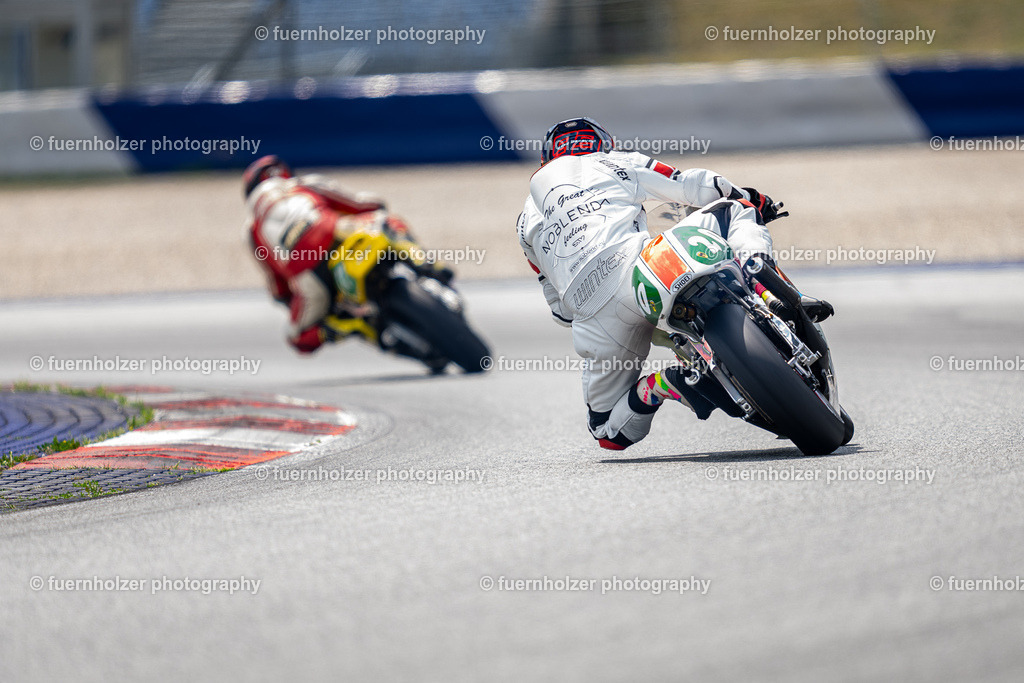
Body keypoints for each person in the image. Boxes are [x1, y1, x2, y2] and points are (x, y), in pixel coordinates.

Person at [516, 117, 832, 451]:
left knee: (607, 431)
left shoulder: (524, 223)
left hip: (592, 314)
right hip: (635, 262)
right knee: (736, 209)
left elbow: (557, 308)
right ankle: (768, 286)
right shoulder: (614, 161)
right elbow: (697, 185)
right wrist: (754, 197)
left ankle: (662, 384)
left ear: (546, 156)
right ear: (602, 143)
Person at [243, 155, 444, 354]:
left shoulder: (251, 231)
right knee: (385, 221)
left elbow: (277, 284)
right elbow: (360, 204)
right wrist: (377, 207)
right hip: (334, 232)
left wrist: (290, 301)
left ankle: (353, 325)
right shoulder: (304, 184)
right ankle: (424, 261)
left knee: (297, 337)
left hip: (308, 274)